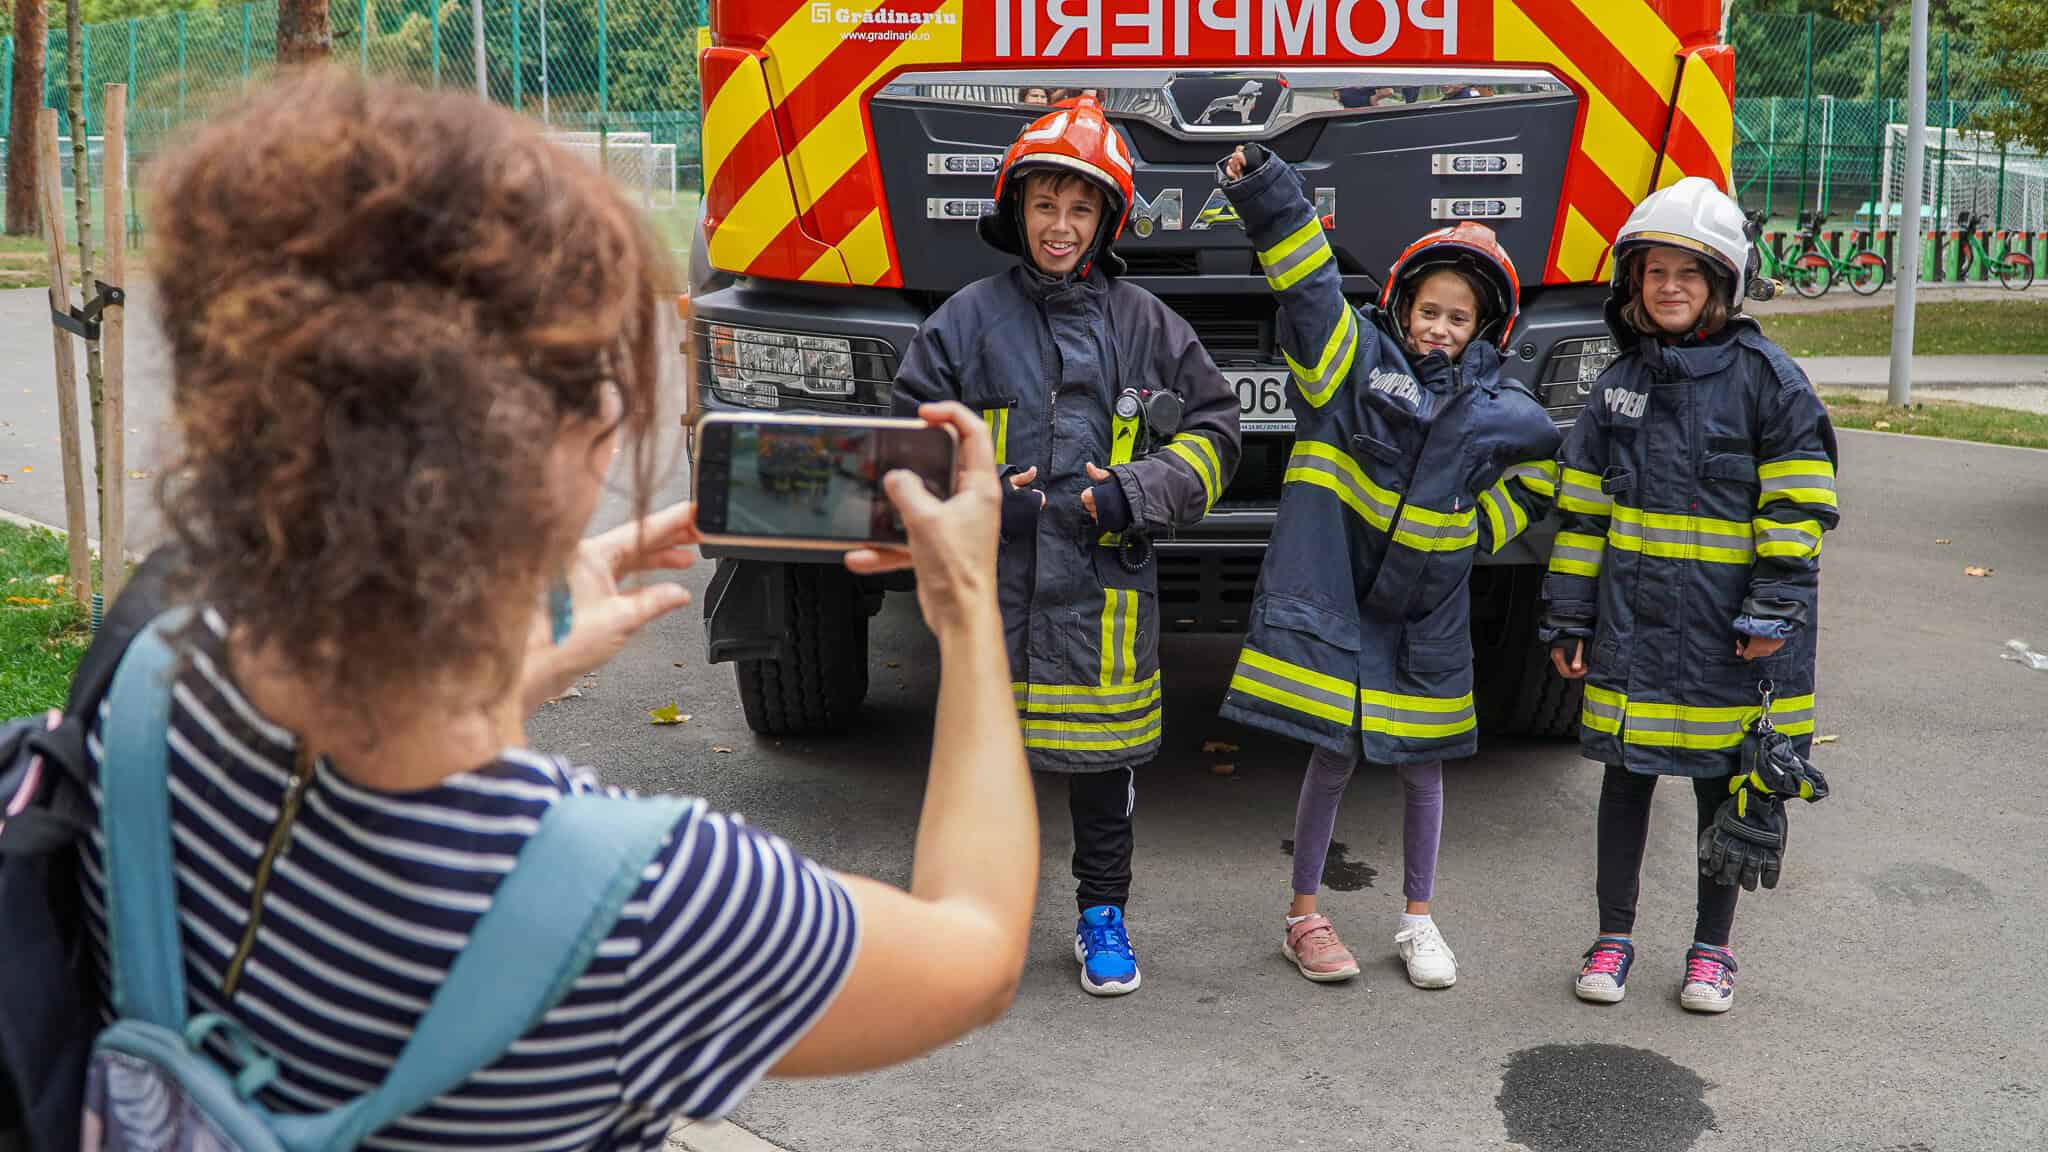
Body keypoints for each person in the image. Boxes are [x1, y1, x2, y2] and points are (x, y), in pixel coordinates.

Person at [75, 71, 1037, 1148]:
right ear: (552, 457)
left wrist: (497, 664)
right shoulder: (633, 902)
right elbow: (979, 951)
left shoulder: (152, 683)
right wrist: (966, 613)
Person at [893, 97, 1241, 997]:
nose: (1060, 225)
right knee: (983, 771)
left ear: (1107, 220)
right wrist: (975, 493)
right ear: (1017, 211)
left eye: (1080, 208)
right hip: (996, 592)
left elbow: (1215, 434)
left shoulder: (1148, 325)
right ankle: (975, 920)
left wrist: (1132, 491)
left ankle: (1102, 915)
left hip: (1104, 595)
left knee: (1103, 773)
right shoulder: (965, 322)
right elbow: (905, 441)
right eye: (1045, 205)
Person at [1216, 143, 1560, 989]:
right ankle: (1304, 916)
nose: (1439, 327)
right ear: (1402, 306)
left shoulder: (1496, 410)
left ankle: (1418, 920)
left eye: (1459, 317)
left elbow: (1557, 468)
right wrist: (1268, 191)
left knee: (1424, 765)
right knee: (1329, 756)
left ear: (1486, 331)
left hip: (1427, 617)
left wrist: (1480, 528)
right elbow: (1307, 286)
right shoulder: (1351, 367)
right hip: (1339, 598)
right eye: (1428, 309)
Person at [1542, 176, 1840, 1014]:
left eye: (1690, 273)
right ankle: (1613, 937)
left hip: (1730, 638)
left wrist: (1773, 610)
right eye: (1655, 272)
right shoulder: (1618, 386)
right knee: (1625, 782)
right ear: (1633, 284)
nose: (1670, 287)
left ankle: (1712, 951)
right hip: (1632, 633)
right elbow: (1582, 515)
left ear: (1723, 285)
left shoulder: (1769, 382)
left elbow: (1799, 508)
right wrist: (1569, 612)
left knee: (1726, 789)